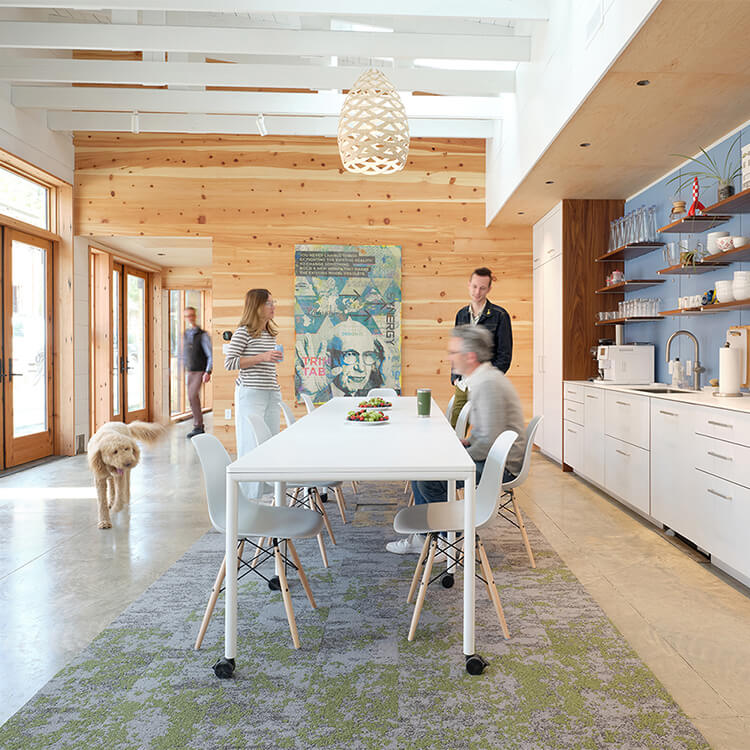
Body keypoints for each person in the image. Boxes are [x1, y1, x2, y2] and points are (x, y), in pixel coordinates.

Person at [386, 325, 526, 554]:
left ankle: (451, 540)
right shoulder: (483, 379)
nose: (449, 357)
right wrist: (465, 443)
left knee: (429, 480)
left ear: (470, 356)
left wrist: (453, 458)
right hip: (492, 456)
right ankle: (426, 537)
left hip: (502, 465)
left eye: (453, 352)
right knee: (422, 469)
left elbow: (489, 443)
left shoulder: (487, 384)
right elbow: (486, 435)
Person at [224, 289, 282, 496]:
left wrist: (271, 372)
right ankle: (249, 494)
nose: (273, 306)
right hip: (250, 393)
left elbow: (266, 362)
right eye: (268, 303)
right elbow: (229, 363)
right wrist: (263, 357)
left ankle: (267, 488)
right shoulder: (243, 332)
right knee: (251, 442)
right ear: (256, 306)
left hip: (271, 392)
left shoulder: (269, 333)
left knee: (270, 440)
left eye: (273, 302)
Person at [449, 267, 513, 426]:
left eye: (483, 288)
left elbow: (504, 355)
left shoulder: (500, 315)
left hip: (486, 386)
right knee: (455, 430)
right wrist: (455, 378)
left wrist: (488, 380)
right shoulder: (461, 314)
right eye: (475, 286)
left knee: (485, 432)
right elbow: (456, 349)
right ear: (469, 285)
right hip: (463, 385)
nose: (477, 292)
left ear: (489, 288)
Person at [182, 306, 212, 439]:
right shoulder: (185, 334)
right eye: (187, 316)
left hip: (200, 370)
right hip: (190, 370)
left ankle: (198, 426)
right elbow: (183, 353)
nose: (190, 318)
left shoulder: (203, 335)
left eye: (192, 315)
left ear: (195, 316)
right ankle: (198, 426)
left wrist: (208, 371)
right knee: (192, 397)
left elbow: (210, 354)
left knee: (192, 396)